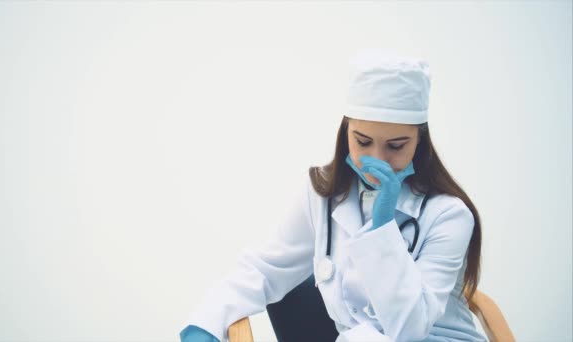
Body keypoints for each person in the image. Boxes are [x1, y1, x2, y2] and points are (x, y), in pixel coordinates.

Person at [179, 50, 486, 341]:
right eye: (363, 141)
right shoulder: (321, 194)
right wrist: (208, 318)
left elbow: (409, 329)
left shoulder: (450, 215)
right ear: (345, 133)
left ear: (419, 142)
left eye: (395, 146)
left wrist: (381, 230)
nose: (375, 160)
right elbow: (267, 268)